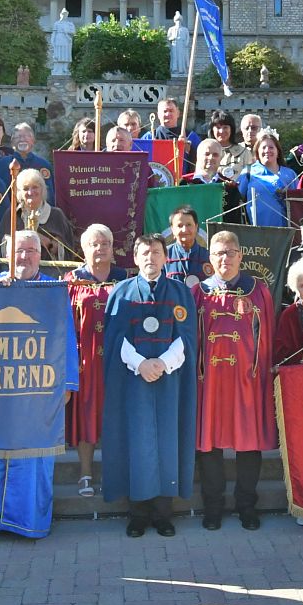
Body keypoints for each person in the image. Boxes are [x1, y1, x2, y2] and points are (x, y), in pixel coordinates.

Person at [0, 232, 77, 539]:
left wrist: (67, 383)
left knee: (32, 458)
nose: (24, 257)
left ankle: (28, 521)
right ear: (7, 254)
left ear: (40, 256)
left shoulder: (52, 291)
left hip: (37, 389)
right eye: (19, 250)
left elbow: (66, 337)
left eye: (31, 251)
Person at [103, 234, 196, 537]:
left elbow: (187, 337)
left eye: (156, 252)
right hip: (134, 382)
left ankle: (163, 515)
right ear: (135, 257)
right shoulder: (122, 292)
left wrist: (164, 363)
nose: (151, 258)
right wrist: (140, 364)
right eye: (145, 252)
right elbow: (115, 338)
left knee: (167, 443)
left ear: (165, 257)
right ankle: (138, 515)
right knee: (138, 443)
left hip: (170, 381)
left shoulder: (180, 293)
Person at [195, 231, 277, 531]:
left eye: (230, 252)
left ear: (240, 256)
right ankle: (213, 507)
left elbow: (267, 338)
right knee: (209, 445)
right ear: (210, 257)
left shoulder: (258, 291)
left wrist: (263, 376)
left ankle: (246, 506)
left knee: (248, 443)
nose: (224, 258)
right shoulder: (199, 292)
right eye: (218, 253)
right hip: (209, 383)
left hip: (247, 381)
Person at [65, 225, 126, 498]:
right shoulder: (72, 281)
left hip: (120, 361)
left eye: (105, 243)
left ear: (112, 248)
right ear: (83, 249)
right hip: (85, 362)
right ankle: (85, 474)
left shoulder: (125, 278)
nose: (100, 248)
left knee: (116, 417)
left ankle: (115, 473)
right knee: (86, 417)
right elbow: (64, 323)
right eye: (94, 244)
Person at [9, 166, 76, 262]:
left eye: (35, 187)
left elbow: (69, 252)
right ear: (19, 192)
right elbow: (0, 248)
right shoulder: (12, 214)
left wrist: (49, 244)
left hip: (50, 270)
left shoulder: (57, 215)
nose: (30, 192)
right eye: (25, 188)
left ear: (42, 189)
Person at [238, 131, 297, 227]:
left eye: (271, 147)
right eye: (263, 147)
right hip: (256, 230)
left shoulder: (290, 174)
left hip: (287, 229)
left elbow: (298, 202)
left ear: (278, 152)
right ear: (257, 151)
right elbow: (238, 199)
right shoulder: (248, 173)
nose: (267, 150)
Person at [181, 137, 243, 221]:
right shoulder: (183, 184)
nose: (211, 158)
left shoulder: (229, 186)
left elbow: (235, 220)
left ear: (220, 158)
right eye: (207, 154)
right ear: (198, 156)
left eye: (215, 155)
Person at [0, 123, 56, 205]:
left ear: (33, 141)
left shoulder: (43, 165)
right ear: (12, 142)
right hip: (11, 211)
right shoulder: (2, 164)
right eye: (18, 137)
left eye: (26, 136)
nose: (22, 139)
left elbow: (50, 196)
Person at [164, 206, 212, 288]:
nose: (184, 230)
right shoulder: (164, 255)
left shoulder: (208, 256)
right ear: (172, 229)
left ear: (196, 227)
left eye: (189, 225)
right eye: (180, 225)